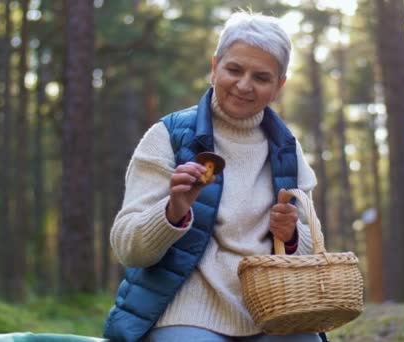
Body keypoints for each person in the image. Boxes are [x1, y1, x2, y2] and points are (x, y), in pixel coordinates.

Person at [103, 10, 325, 342]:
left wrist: (291, 237)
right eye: (234, 69)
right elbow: (129, 249)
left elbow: (313, 255)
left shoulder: (287, 151)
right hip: (185, 312)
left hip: (271, 310)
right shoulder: (168, 136)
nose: (244, 85)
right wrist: (171, 212)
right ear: (214, 67)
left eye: (261, 77)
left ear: (278, 86)